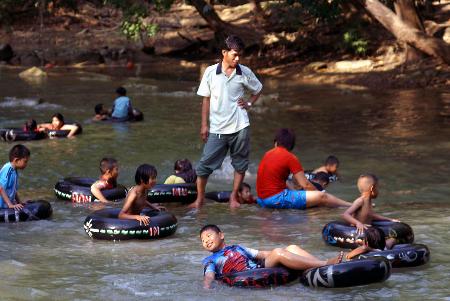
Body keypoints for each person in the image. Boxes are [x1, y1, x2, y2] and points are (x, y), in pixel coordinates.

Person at [190, 35, 263, 209]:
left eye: (239, 56)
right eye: (234, 55)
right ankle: (200, 199)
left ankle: (233, 197)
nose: (237, 59)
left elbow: (258, 89)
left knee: (240, 164)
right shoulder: (210, 72)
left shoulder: (244, 72)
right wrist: (204, 125)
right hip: (217, 128)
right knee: (204, 166)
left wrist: (249, 103)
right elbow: (205, 100)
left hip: (240, 126)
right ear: (224, 53)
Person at [200, 224, 343, 289]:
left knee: (290, 248)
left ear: (221, 235)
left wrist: (286, 252)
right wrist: (207, 287)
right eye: (203, 240)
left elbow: (261, 254)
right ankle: (325, 263)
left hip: (259, 267)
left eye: (208, 236)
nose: (206, 241)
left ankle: (314, 266)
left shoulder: (238, 247)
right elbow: (209, 275)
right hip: (245, 275)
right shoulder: (210, 260)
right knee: (278, 253)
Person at [256, 128, 351, 210]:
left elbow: (283, 181)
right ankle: (349, 205)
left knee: (295, 189)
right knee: (322, 196)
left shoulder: (267, 154)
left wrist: (296, 193)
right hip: (275, 200)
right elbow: (305, 184)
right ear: (291, 144)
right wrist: (319, 193)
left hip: (262, 199)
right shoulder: (290, 157)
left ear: (276, 142)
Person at [341, 174, 399, 248]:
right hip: (360, 234)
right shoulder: (360, 201)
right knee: (391, 241)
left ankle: (381, 248)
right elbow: (345, 214)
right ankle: (382, 249)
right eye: (378, 188)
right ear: (372, 188)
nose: (378, 190)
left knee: (392, 240)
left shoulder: (369, 201)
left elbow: (371, 215)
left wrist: (389, 219)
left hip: (369, 232)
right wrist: (358, 223)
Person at [0, 144, 30, 210]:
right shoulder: (8, 170)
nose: (26, 164)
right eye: (25, 161)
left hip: (6, 205)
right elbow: (1, 188)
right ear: (16, 160)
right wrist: (10, 205)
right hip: (2, 207)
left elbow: (13, 190)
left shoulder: (14, 170)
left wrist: (19, 202)